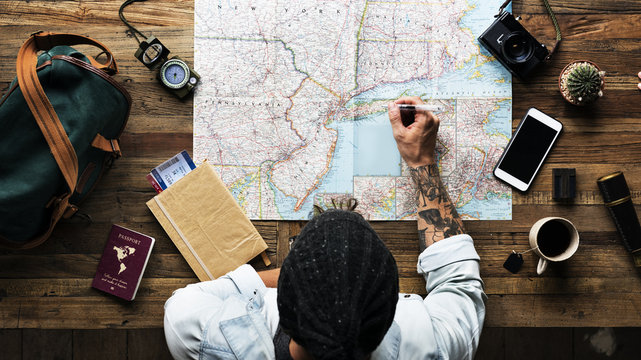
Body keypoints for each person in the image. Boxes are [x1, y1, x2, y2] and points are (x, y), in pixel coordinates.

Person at [163, 96, 486, 359]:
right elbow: (458, 283)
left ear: (281, 294)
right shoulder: (436, 345)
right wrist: (422, 162)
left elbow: (204, 296)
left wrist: (319, 277)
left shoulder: (194, 330)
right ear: (391, 304)